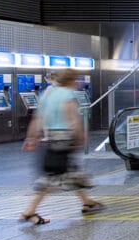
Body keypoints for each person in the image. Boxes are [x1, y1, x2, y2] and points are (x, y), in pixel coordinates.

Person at [20, 69, 103, 225]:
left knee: (70, 171)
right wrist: (80, 136)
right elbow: (72, 119)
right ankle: (29, 211)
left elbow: (37, 118)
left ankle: (87, 202)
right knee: (54, 176)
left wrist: (31, 137)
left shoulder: (48, 93)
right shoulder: (68, 94)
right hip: (65, 138)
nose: (78, 82)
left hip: (50, 136)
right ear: (72, 80)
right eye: (77, 79)